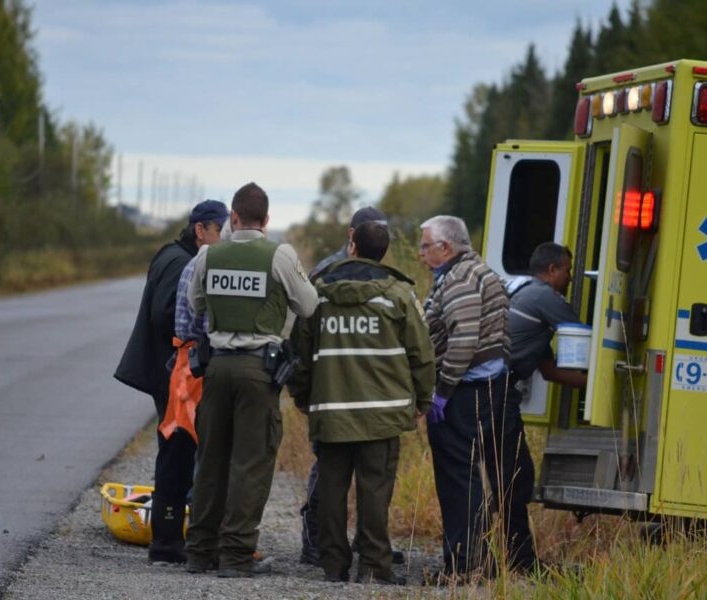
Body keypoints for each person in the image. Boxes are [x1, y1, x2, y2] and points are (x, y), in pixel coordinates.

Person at [184, 182, 318, 578]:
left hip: (217, 367)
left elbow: (195, 303)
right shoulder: (279, 255)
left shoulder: (209, 255)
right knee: (250, 463)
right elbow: (308, 304)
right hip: (259, 370)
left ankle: (200, 551)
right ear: (267, 220)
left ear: (234, 218)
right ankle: (237, 555)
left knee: (210, 461)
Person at [291, 221, 435, 585]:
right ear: (384, 251)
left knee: (331, 490)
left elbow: (300, 353)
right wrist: (422, 400)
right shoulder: (399, 295)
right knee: (375, 492)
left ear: (351, 244)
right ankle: (374, 567)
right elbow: (422, 354)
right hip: (382, 415)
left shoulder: (319, 293)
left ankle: (334, 566)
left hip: (332, 412)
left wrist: (303, 396)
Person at [419, 215, 533, 581]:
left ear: (446, 247)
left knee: (458, 478)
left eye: (425, 246)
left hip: (468, 392)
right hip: (491, 389)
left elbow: (464, 340)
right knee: (490, 476)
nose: (421, 254)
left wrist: (442, 392)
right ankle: (505, 559)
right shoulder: (479, 273)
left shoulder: (461, 279)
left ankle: (466, 566)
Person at [114, 199, 228, 564]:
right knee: (177, 452)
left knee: (177, 451)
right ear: (201, 230)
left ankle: (171, 537)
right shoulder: (182, 263)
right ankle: (167, 542)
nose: (223, 239)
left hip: (169, 371)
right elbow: (166, 315)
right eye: (220, 231)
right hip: (172, 374)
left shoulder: (172, 254)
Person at [509, 242, 588, 390]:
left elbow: (549, 372)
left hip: (491, 384)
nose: (570, 278)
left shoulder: (526, 292)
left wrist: (594, 387)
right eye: (567, 271)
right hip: (493, 386)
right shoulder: (545, 296)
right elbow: (583, 339)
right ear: (552, 270)